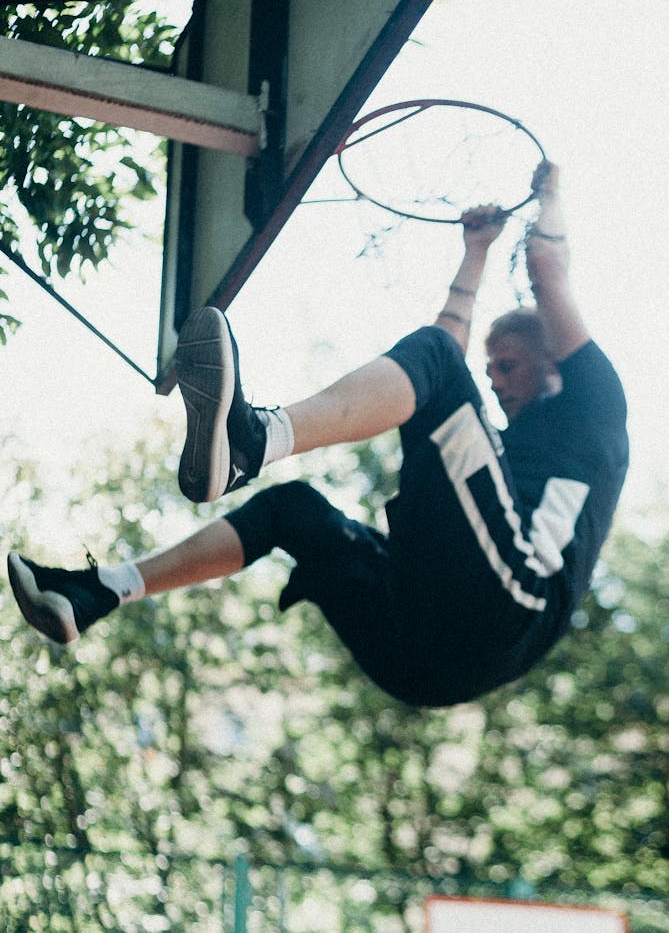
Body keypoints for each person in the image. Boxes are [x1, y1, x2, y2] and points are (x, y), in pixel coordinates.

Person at [7, 165, 628, 707]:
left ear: (554, 362)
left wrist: (551, 193)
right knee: (294, 510)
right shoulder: (496, 457)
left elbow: (544, 274)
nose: (493, 380)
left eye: (509, 366)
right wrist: (476, 251)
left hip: (506, 607)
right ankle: (98, 593)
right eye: (490, 368)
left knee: (437, 362)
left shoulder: (596, 404)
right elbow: (447, 344)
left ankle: (254, 441)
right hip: (422, 662)